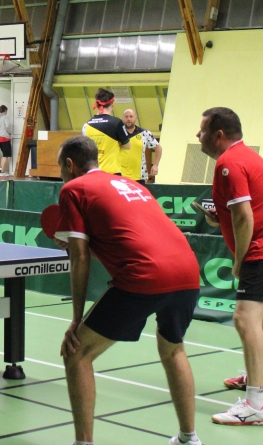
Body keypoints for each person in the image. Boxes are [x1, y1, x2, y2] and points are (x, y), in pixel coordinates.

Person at [51, 136, 203, 445]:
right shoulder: (133, 185)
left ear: (70, 164)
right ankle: (189, 438)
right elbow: (125, 241)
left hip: (144, 275)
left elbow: (79, 257)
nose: (61, 175)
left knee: (77, 353)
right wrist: (82, 246)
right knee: (173, 348)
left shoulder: (73, 189)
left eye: (60, 168)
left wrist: (76, 320)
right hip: (188, 271)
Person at [197, 107, 263, 427]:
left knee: (244, 318)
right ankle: (260, 377)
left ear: (218, 135)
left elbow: (244, 216)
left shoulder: (228, 163)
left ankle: (254, 405)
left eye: (202, 130)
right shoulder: (246, 156)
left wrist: (240, 261)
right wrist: (219, 219)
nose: (198, 135)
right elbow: (242, 210)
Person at [120, 109, 162, 184]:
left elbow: (158, 148)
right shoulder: (117, 133)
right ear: (122, 118)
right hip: (120, 175)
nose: (128, 119)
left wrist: (155, 165)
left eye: (131, 116)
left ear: (135, 118)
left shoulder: (144, 133)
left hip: (139, 176)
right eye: (126, 117)